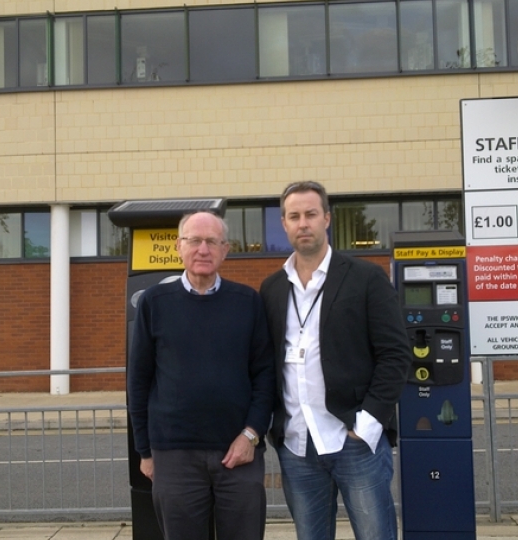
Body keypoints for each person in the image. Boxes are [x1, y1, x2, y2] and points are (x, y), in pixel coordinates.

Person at [259, 181, 412, 540]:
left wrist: (369, 423)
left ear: (326, 218)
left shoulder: (365, 278)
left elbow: (395, 354)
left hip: (353, 440)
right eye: (294, 216)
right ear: (284, 223)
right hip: (296, 445)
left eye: (311, 214)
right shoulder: (272, 288)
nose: (303, 223)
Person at [127, 210, 275, 540]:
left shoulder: (247, 302)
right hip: (174, 455)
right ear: (179, 246)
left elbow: (265, 375)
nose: (203, 249)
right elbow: (138, 380)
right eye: (194, 240)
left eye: (212, 241)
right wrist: (145, 452)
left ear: (226, 249)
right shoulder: (155, 302)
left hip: (239, 453)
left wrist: (251, 434)